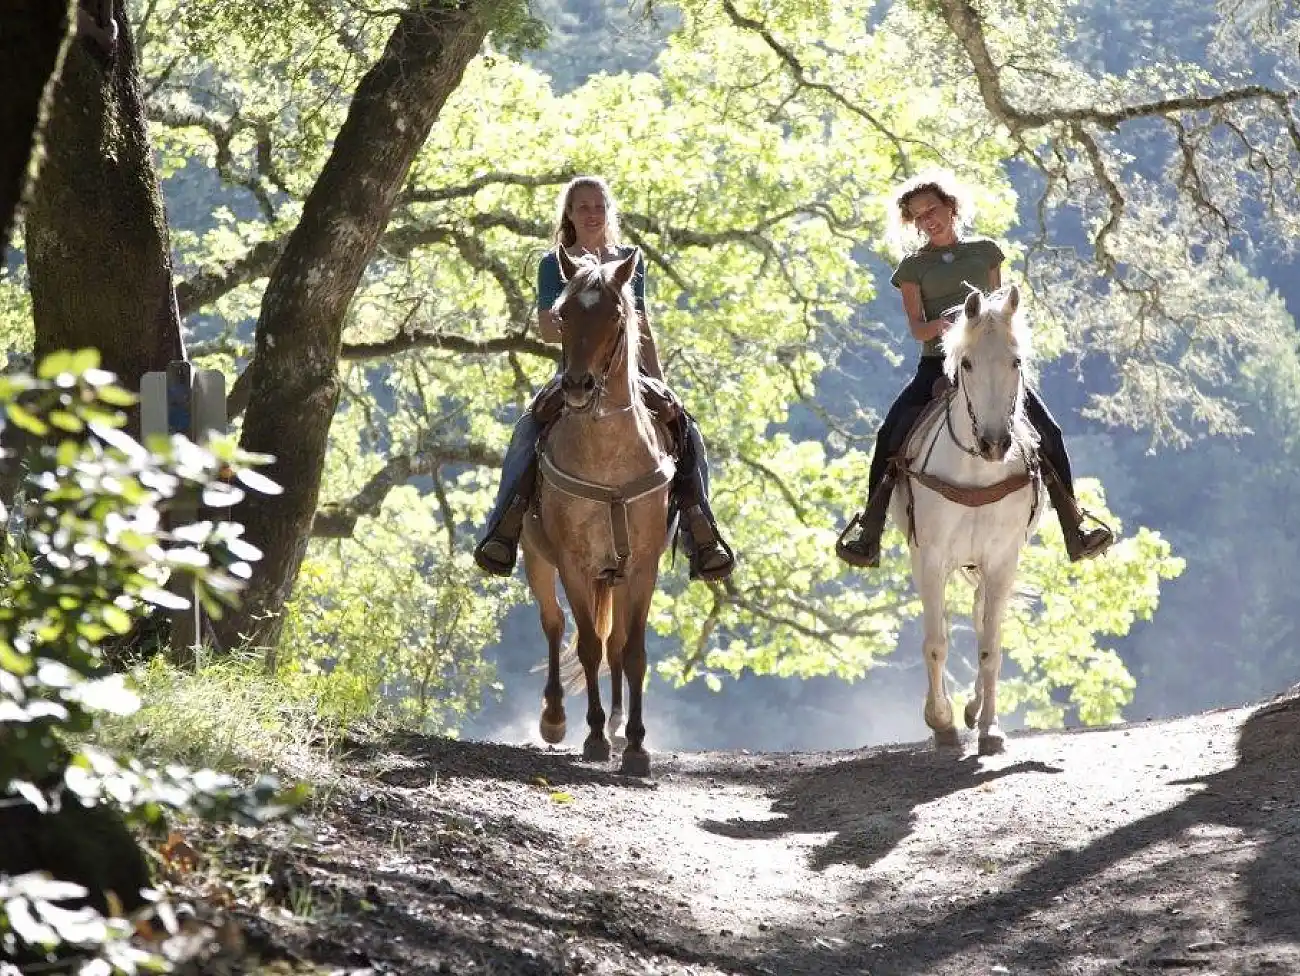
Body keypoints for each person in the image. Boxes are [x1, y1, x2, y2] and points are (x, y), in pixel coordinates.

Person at [837, 170, 1114, 567]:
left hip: (989, 364)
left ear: (950, 207)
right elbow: (918, 329)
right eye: (918, 216)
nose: (927, 220)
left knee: (1049, 431)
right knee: (890, 433)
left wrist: (990, 331)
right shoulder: (913, 268)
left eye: (932, 209)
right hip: (939, 366)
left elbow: (999, 311)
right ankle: (871, 528)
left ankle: (1075, 525)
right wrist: (950, 324)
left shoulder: (985, 252)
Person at [473, 175, 735, 582]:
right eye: (583, 207)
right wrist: (570, 315)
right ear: (570, 214)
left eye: (599, 206)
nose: (592, 214)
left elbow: (642, 324)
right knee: (527, 429)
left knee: (686, 429)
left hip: (628, 374)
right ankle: (503, 527)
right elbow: (546, 332)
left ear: (608, 212)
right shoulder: (552, 263)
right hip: (575, 372)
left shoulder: (629, 259)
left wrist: (660, 381)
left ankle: (700, 528)